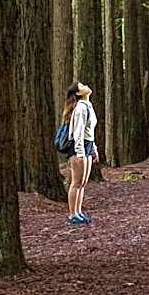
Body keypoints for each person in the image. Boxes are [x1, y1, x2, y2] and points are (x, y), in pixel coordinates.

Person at [62, 81, 98, 225]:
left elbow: (90, 131)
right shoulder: (80, 108)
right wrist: (80, 153)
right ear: (78, 93)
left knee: (82, 183)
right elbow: (78, 133)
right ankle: (72, 215)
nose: (86, 86)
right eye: (82, 86)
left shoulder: (88, 106)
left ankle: (78, 212)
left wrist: (94, 149)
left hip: (88, 144)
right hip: (79, 146)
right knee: (76, 182)